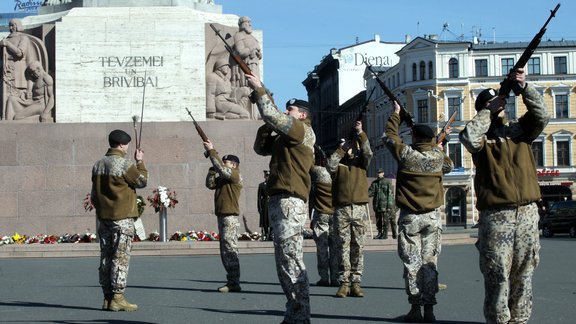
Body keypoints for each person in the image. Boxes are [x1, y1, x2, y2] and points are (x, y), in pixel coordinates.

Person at [459, 68, 548, 324]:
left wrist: (524, 88)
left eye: (499, 101)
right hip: (497, 215)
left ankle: (519, 321)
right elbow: (468, 137)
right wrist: (489, 110)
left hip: (527, 213)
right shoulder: (482, 139)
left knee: (524, 274)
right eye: (488, 104)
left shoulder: (519, 131)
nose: (499, 106)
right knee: (498, 275)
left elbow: (542, 117)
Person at [247, 73, 315, 324]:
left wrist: (260, 92)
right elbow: (261, 147)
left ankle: (300, 316)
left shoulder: (301, 131)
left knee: (291, 261)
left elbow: (273, 116)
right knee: (284, 262)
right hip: (281, 200)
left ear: (303, 115)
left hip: (290, 201)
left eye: (292, 109)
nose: (287, 111)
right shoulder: (288, 135)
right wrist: (269, 123)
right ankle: (294, 312)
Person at [384, 103, 453, 323]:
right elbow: (449, 166)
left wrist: (396, 114)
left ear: (414, 138)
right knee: (429, 262)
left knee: (411, 264)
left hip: (410, 217)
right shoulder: (438, 158)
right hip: (432, 217)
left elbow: (389, 136)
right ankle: (430, 310)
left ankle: (415, 308)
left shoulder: (406, 155)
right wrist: (441, 144)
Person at [91, 129, 148, 312]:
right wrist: (140, 162)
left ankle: (107, 298)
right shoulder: (124, 164)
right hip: (122, 218)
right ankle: (118, 297)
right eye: (127, 145)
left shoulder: (98, 164)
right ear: (122, 145)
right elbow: (142, 181)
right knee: (120, 257)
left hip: (104, 218)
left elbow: (94, 194)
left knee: (106, 258)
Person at [326, 121, 373, 298]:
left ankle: (356, 282)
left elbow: (368, 152)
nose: (350, 149)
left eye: (351, 146)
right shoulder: (339, 166)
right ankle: (343, 282)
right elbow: (329, 165)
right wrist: (340, 150)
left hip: (359, 208)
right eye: (347, 146)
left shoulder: (362, 163)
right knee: (342, 246)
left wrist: (361, 133)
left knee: (358, 247)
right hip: (342, 209)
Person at [203, 139, 243, 293]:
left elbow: (221, 168)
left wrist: (212, 152)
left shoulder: (235, 175)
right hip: (223, 216)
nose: (224, 164)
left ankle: (234, 282)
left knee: (230, 249)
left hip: (230, 217)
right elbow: (210, 184)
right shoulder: (224, 178)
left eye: (226, 162)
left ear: (233, 165)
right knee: (225, 250)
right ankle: (232, 280)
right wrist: (213, 168)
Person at [310, 145, 339, 287]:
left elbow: (309, 165)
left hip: (321, 213)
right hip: (336, 214)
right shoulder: (339, 172)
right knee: (335, 248)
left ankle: (323, 277)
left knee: (322, 248)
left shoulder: (318, 172)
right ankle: (335, 278)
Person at [232, 16, 262, 88]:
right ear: (242, 24)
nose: (250, 24)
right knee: (248, 87)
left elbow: (260, 56)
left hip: (255, 65)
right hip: (246, 64)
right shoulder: (239, 35)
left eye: (250, 22)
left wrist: (258, 54)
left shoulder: (253, 38)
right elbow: (240, 53)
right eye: (247, 22)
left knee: (257, 87)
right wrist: (252, 48)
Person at [368, 168, 396, 239]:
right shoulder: (374, 183)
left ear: (383, 173)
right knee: (378, 220)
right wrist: (364, 196)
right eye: (378, 173)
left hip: (385, 205)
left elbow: (390, 194)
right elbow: (370, 192)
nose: (379, 174)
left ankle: (385, 234)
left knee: (386, 220)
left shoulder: (387, 182)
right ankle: (379, 233)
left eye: (380, 172)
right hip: (377, 205)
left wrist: (390, 205)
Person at [257, 170, 272, 241]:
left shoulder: (273, 184)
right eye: (266, 176)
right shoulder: (262, 185)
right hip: (265, 204)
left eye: (269, 176)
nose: (267, 177)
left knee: (271, 220)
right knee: (265, 220)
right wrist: (259, 207)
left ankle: (272, 233)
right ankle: (266, 233)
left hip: (272, 204)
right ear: (264, 176)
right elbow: (259, 197)